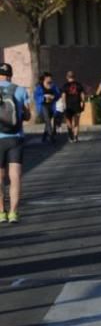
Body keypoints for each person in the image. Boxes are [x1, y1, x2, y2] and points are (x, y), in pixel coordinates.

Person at [0, 62, 30, 223]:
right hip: (15, 138)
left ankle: (0, 212)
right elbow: (27, 116)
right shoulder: (20, 90)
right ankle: (13, 212)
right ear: (10, 74)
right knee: (15, 177)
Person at [33, 72, 60, 143]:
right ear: (45, 79)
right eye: (49, 78)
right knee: (48, 120)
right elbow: (36, 97)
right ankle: (51, 137)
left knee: (48, 121)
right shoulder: (39, 87)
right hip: (43, 105)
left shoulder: (53, 86)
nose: (50, 79)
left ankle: (44, 136)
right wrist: (44, 97)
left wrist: (54, 97)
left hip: (51, 105)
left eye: (51, 78)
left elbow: (58, 94)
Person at [61, 71, 86, 143]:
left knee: (68, 121)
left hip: (68, 105)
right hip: (77, 105)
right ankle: (75, 137)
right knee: (77, 122)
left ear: (67, 77)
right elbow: (82, 95)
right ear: (74, 77)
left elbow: (63, 96)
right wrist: (83, 103)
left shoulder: (65, 86)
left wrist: (64, 104)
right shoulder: (78, 85)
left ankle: (70, 133)